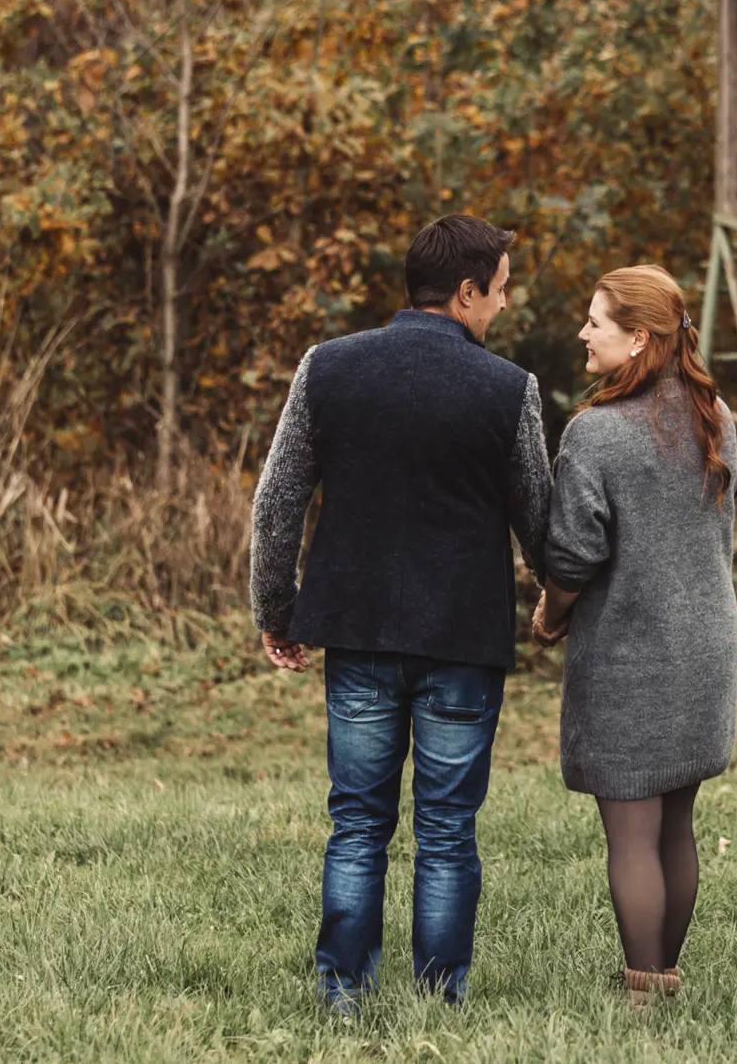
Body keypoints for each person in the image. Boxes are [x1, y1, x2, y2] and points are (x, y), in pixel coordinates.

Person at [250, 214, 552, 1013]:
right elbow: (540, 521)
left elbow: (276, 503)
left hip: (356, 628)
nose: (503, 304)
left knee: (357, 822)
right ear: (464, 292)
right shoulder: (509, 388)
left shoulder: (328, 368)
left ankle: (341, 990)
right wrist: (556, 602)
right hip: (464, 636)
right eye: (501, 288)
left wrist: (277, 609)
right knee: (448, 830)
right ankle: (439, 996)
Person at [531, 264, 737, 1007]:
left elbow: (573, 554)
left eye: (597, 322)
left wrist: (551, 611)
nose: (584, 333)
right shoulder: (717, 417)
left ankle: (643, 988)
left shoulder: (595, 434)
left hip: (631, 654)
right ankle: (665, 976)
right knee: (675, 826)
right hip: (707, 648)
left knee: (631, 832)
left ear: (640, 338)